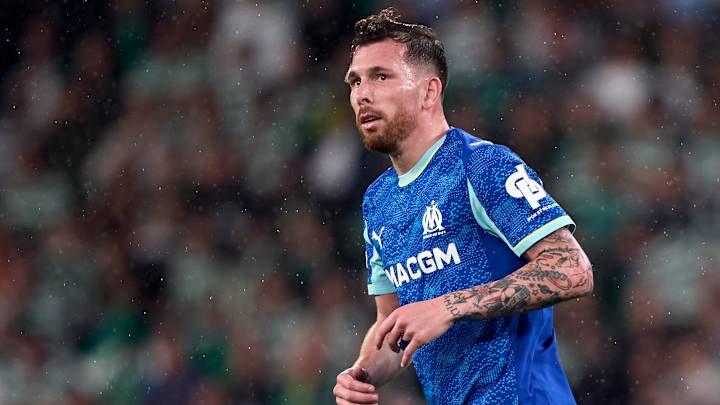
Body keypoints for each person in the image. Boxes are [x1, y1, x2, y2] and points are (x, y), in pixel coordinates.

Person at [332, 7, 594, 405]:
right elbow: (391, 323)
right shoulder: (377, 201)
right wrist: (361, 375)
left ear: (429, 92)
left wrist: (449, 307)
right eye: (355, 81)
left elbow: (572, 269)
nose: (362, 94)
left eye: (381, 77)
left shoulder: (482, 166)